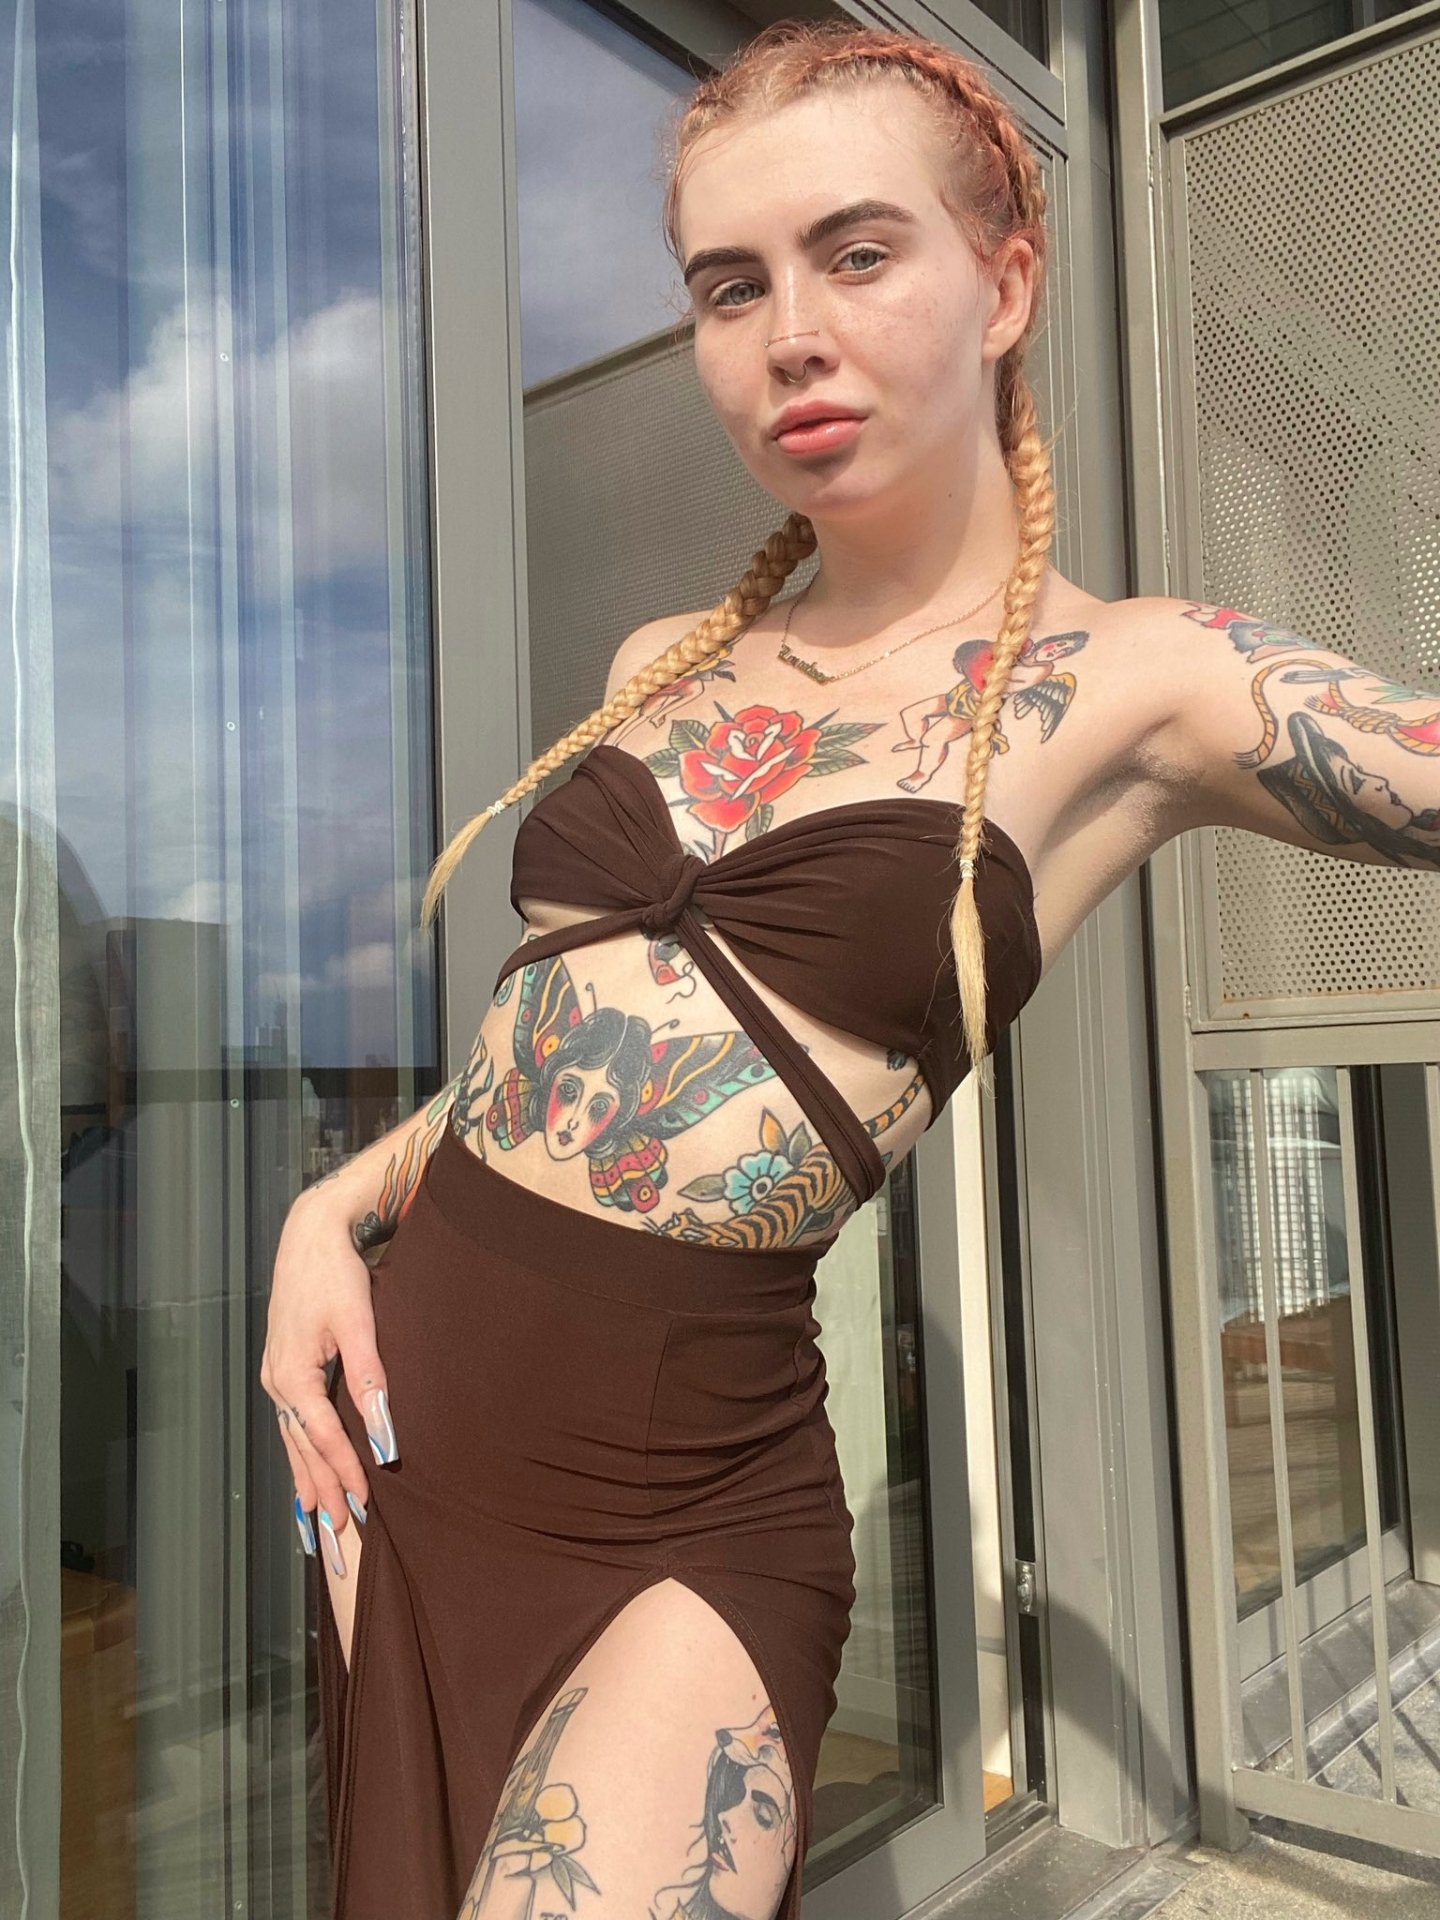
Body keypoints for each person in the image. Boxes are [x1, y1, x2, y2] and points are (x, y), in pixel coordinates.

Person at [260, 19, 1440, 1920]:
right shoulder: (661, 656)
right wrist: (332, 1207)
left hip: (685, 1514)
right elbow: (549, 1059)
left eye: (858, 252)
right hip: (410, 1448)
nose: (789, 333)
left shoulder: (1141, 682)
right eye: (731, 286)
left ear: (1007, 283)